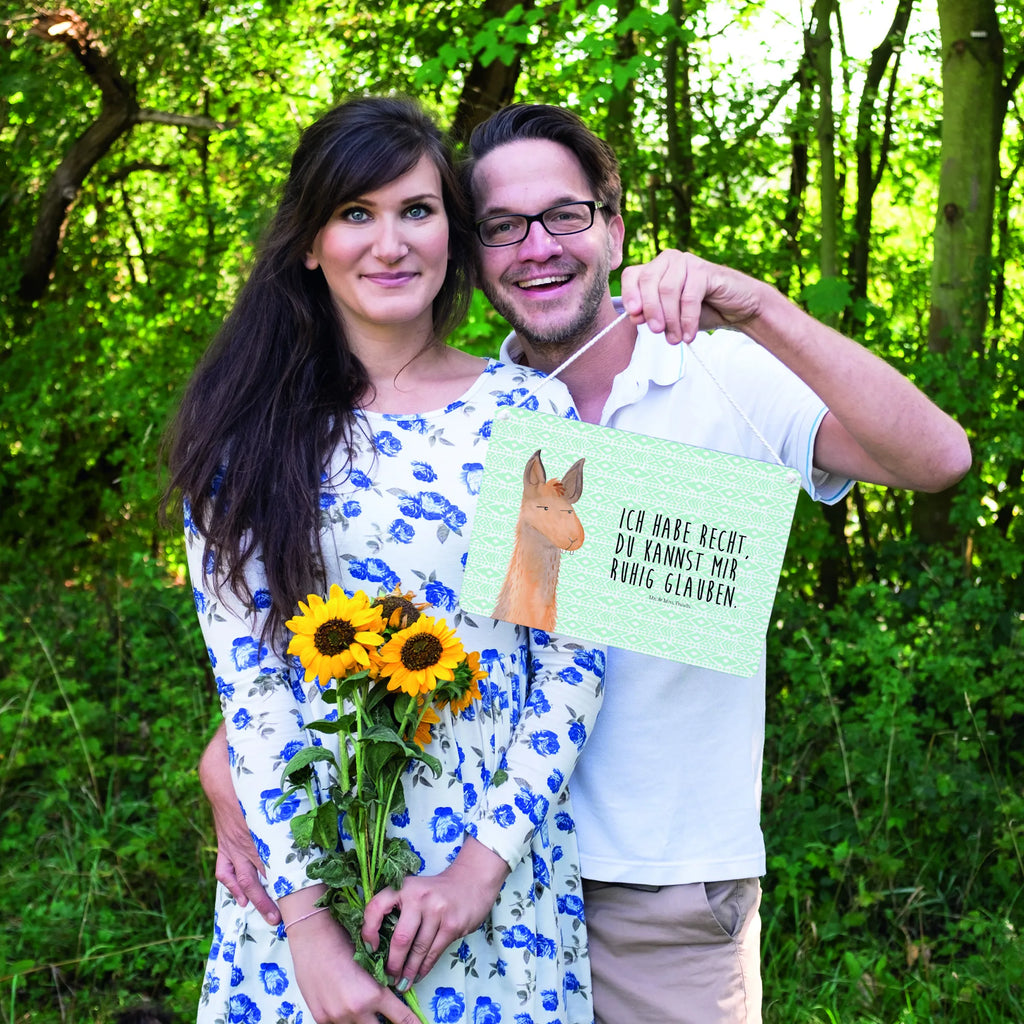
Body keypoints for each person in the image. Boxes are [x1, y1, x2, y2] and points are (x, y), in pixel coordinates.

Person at [201, 102, 972, 1024]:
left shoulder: (708, 373)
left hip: (654, 887)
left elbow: (938, 461)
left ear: (612, 226)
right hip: (429, 877)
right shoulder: (452, 416)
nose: (536, 247)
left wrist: (760, 306)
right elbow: (334, 634)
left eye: (564, 215)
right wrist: (235, 768)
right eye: (502, 227)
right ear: (474, 251)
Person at [164, 96, 610, 1024]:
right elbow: (253, 693)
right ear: (308, 243)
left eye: (417, 210)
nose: (391, 242)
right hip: (303, 890)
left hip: (492, 890)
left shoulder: (531, 415)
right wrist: (312, 937)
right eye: (355, 214)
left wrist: (477, 873)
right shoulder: (243, 439)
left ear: (452, 229)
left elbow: (572, 666)